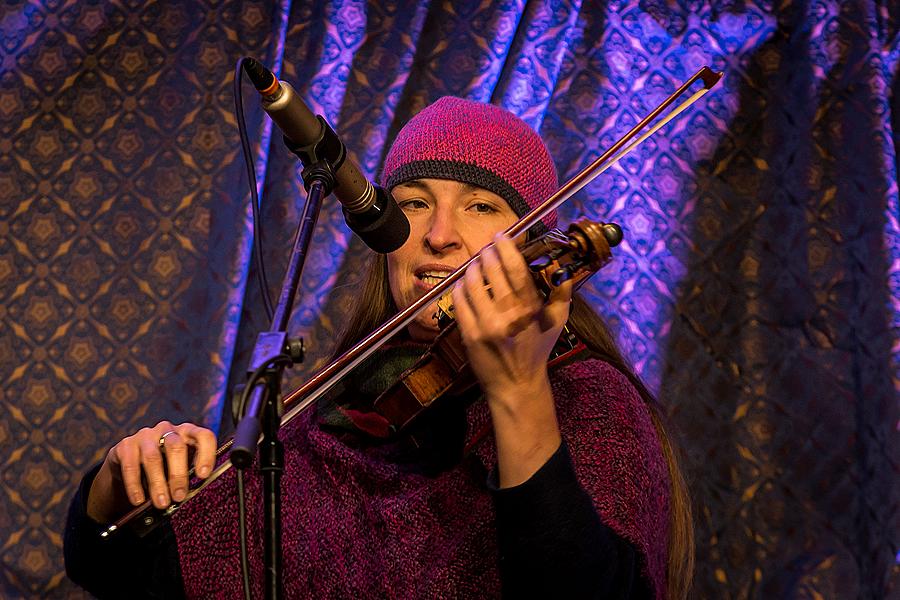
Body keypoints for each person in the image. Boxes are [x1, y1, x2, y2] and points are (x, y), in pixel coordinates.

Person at [64, 97, 693, 599]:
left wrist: (518, 390)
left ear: (530, 242)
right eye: (414, 204)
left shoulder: (586, 397)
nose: (440, 235)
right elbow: (120, 571)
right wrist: (116, 484)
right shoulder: (341, 410)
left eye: (480, 206)